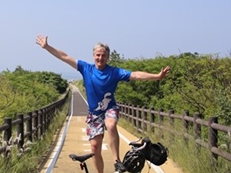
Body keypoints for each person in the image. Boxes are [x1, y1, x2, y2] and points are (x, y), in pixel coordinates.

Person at [36, 35, 171, 173]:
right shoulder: (86, 68)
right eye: (98, 55)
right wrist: (47, 47)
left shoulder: (115, 72)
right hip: (94, 113)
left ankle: (117, 161)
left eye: (104, 55)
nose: (100, 58)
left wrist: (157, 76)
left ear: (108, 57)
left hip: (110, 109)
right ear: (93, 56)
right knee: (95, 148)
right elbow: (64, 57)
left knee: (111, 124)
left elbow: (135, 75)